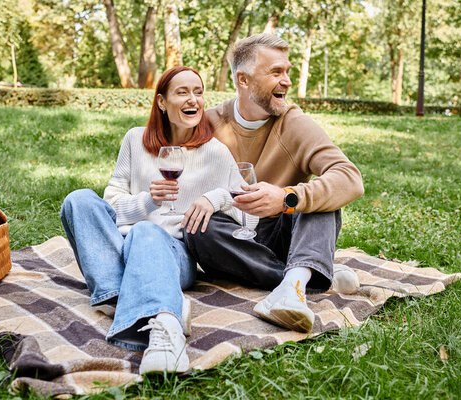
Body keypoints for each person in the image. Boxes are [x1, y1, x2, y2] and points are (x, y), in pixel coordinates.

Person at [60, 66, 255, 374]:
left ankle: (166, 327)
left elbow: (247, 217)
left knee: (147, 232)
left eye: (198, 92)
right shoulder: (135, 140)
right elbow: (110, 204)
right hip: (121, 246)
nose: (193, 100)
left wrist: (215, 198)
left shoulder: (216, 152)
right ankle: (128, 297)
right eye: (183, 92)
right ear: (162, 102)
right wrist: (148, 200)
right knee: (78, 200)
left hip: (173, 254)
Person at [183, 34, 365, 334]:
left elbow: (349, 179)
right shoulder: (208, 124)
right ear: (243, 80)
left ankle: (292, 287)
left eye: (288, 71)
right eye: (276, 72)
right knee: (196, 225)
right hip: (233, 242)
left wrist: (286, 198)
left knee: (318, 200)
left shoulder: (294, 123)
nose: (287, 81)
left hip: (282, 234)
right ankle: (309, 275)